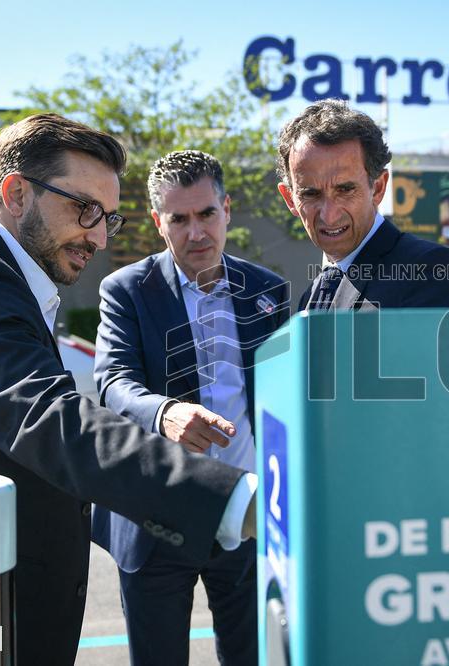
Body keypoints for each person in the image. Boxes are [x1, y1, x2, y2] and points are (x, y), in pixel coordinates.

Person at [0, 115, 256, 666]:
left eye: (108, 217)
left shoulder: (6, 283)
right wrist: (232, 497)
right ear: (17, 193)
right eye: (84, 209)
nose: (99, 237)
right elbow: (50, 419)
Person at [92, 150, 288, 666]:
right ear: (159, 222)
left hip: (246, 511)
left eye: (206, 214)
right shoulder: (126, 290)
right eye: (179, 219)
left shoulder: (268, 291)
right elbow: (113, 380)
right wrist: (164, 413)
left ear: (227, 210)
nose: (196, 232)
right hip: (158, 513)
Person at [276, 99, 449, 310]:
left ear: (378, 188)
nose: (329, 215)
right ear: (290, 199)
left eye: (345, 190)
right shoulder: (311, 297)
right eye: (311, 194)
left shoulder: (428, 271)